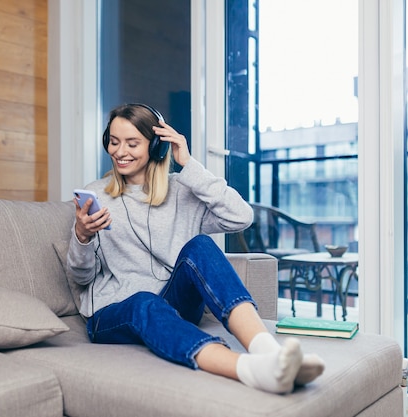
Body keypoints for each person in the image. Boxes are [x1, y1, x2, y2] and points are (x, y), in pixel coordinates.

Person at [67, 103, 325, 394]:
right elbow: (80, 278)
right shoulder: (96, 194)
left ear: (156, 147)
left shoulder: (183, 190)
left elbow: (241, 216)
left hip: (173, 303)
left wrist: (189, 165)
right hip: (114, 313)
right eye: (113, 142)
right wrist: (82, 235)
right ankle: (250, 370)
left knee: (201, 246)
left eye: (132, 143)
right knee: (144, 302)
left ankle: (269, 352)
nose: (119, 152)